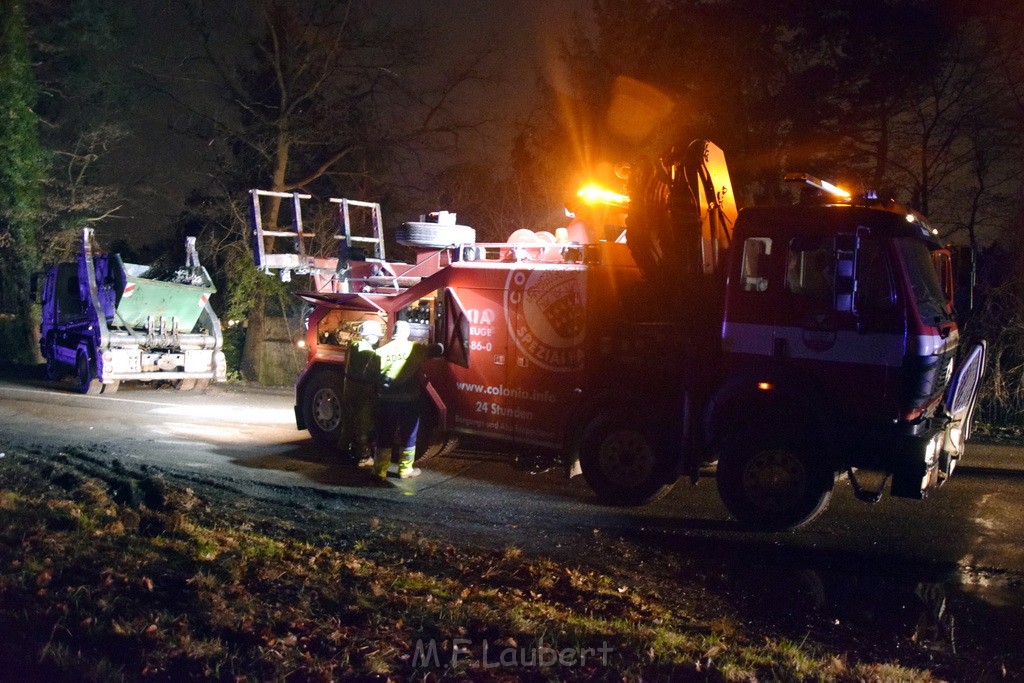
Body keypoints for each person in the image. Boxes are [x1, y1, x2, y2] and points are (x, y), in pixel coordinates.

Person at [372, 320, 436, 480]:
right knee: (408, 434)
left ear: (393, 332)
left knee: (384, 434)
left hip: (386, 400)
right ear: (407, 333)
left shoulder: (380, 351)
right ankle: (405, 470)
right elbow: (436, 350)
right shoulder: (416, 349)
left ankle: (380, 471)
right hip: (410, 401)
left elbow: (371, 376)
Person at [339, 319, 383, 466]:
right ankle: (363, 456)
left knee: (349, 421)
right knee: (363, 423)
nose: (378, 339)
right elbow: (376, 372)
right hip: (363, 391)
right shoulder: (369, 352)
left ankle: (342, 449)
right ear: (372, 336)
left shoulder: (353, 346)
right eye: (377, 336)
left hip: (349, 387)